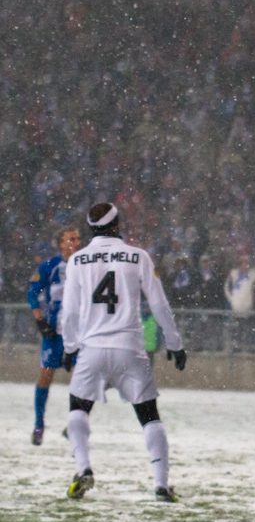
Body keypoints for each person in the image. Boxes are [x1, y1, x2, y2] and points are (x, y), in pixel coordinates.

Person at [60, 203, 187, 501]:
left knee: (78, 408)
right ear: (116, 224)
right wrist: (174, 343)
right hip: (130, 348)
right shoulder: (137, 256)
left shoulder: (77, 260)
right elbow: (159, 303)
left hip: (92, 347)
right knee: (149, 416)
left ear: (91, 228)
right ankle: (160, 484)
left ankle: (84, 469)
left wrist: (69, 346)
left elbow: (69, 311)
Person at [26, 225, 81, 445]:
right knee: (46, 375)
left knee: (82, 381)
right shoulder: (51, 266)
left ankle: (75, 425)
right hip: (55, 333)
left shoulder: (86, 265)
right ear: (60, 244)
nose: (76, 243)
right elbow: (33, 292)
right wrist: (40, 320)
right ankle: (39, 425)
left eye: (78, 239)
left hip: (79, 334)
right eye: (71, 239)